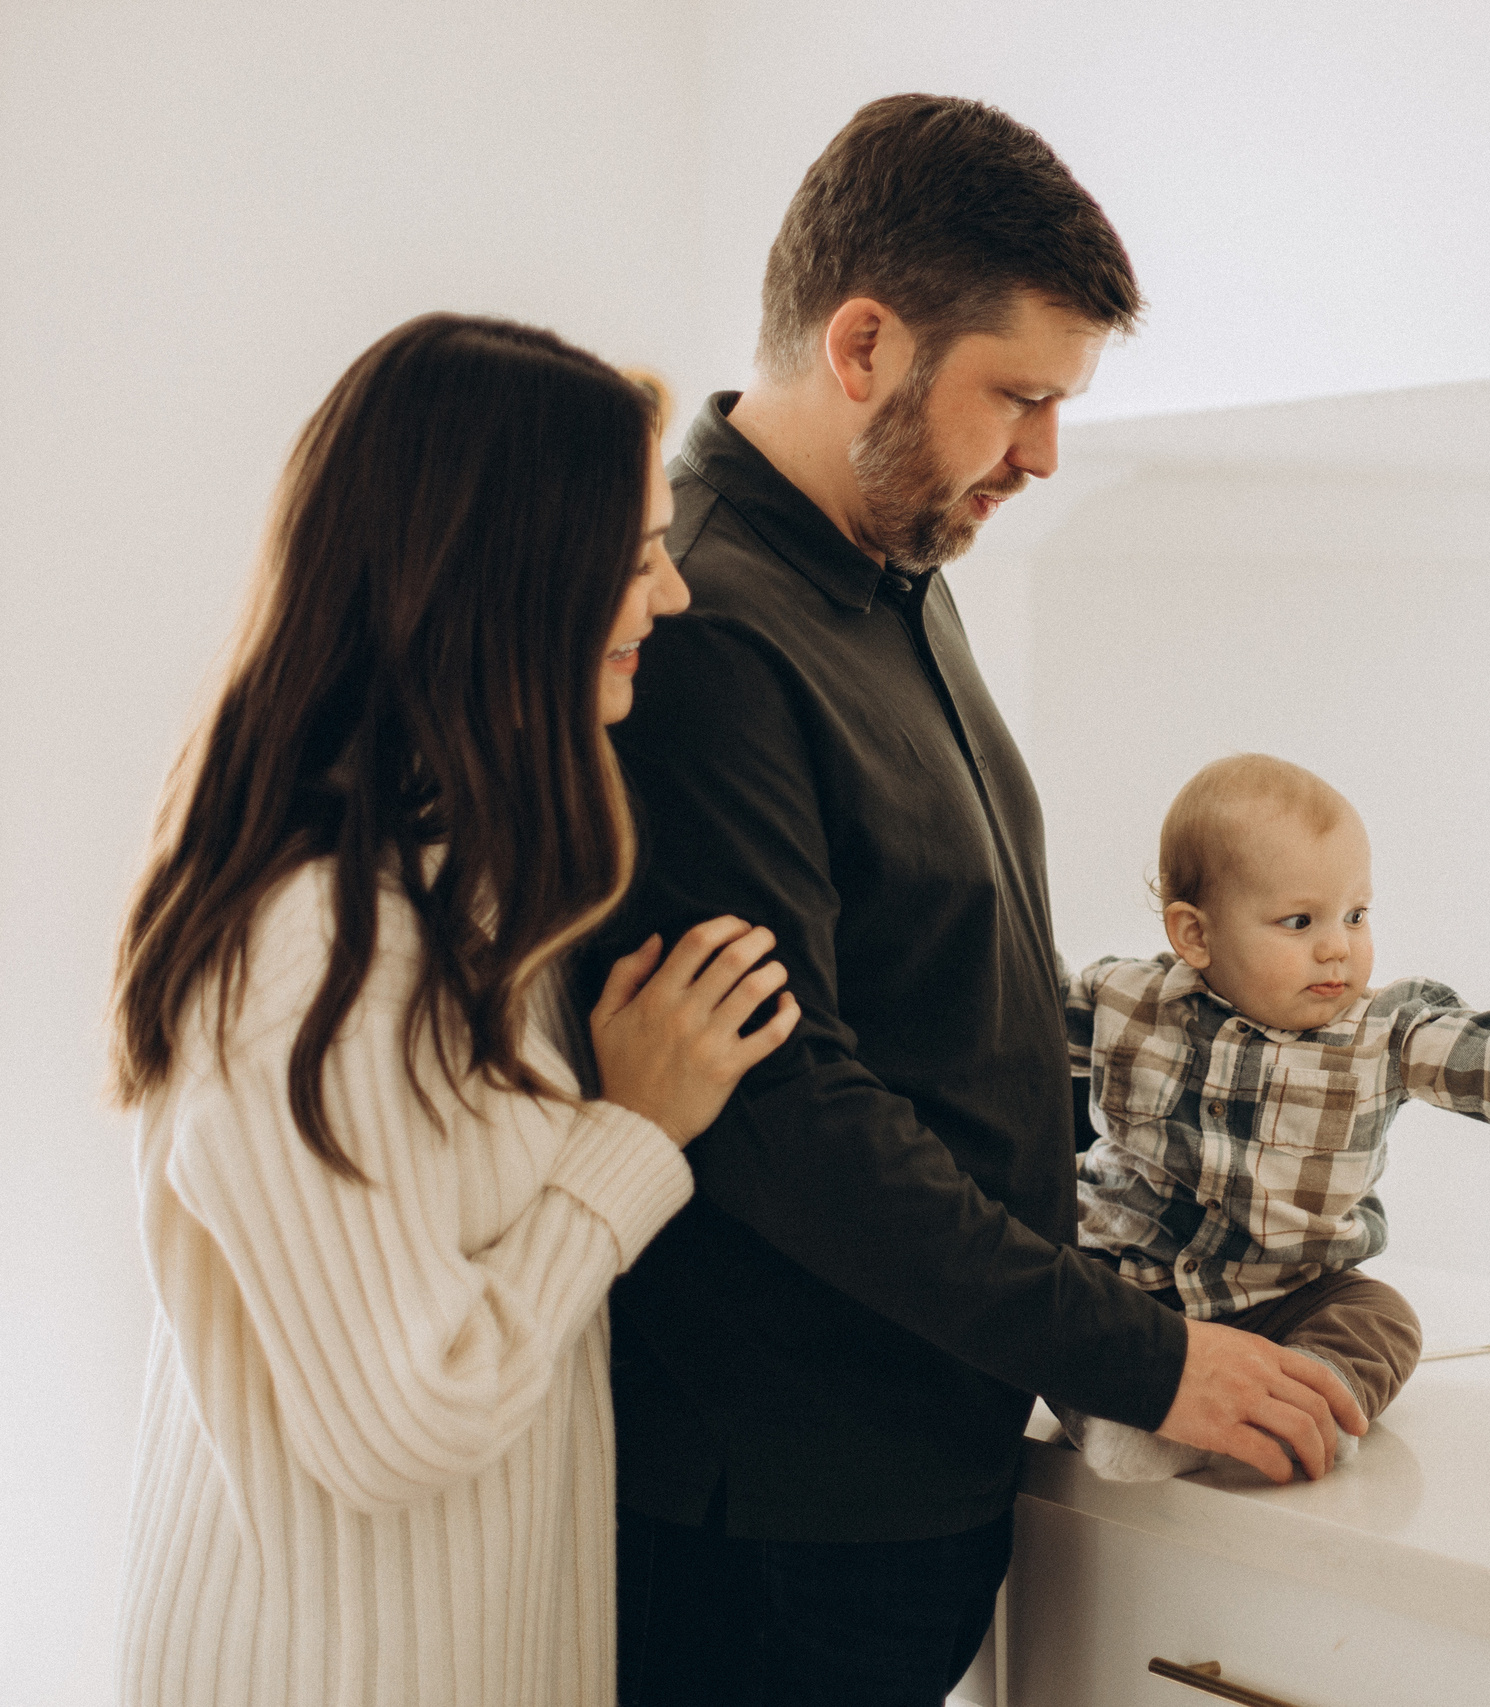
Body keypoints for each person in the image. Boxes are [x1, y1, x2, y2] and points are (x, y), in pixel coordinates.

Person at [581, 94, 1362, 1706]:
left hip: (904, 1475)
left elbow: (946, 995)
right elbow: (786, 1111)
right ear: (861, 344)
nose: (1046, 452)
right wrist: (1144, 1356)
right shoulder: (712, 623)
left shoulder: (890, 570)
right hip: (777, 1518)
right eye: (1018, 395)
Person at [109, 313, 801, 1707]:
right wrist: (631, 1134)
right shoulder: (318, 942)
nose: (670, 599)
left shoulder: (461, 902)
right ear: (506, 585)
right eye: (635, 558)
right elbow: (400, 1421)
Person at [1056, 754, 1490, 1477]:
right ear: (1195, 934)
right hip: (1131, 1286)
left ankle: (1307, 1402)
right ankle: (1126, 1418)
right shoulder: (1124, 1001)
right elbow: (1022, 1023)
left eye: (1356, 914)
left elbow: (1482, 1048)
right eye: (1299, 920)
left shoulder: (1383, 1031)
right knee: (1061, 1308)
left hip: (1286, 1292)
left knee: (1383, 1318)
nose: (1337, 945)